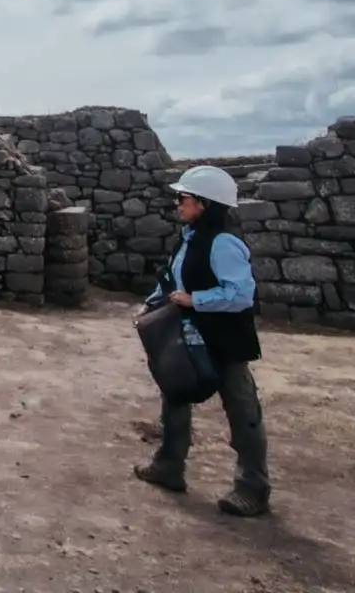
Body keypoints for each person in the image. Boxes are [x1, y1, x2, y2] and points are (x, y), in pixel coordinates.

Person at [133, 165, 270, 518]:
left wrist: (196, 300)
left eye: (184, 198)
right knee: (175, 396)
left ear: (205, 204)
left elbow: (240, 294)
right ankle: (169, 466)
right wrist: (152, 305)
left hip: (224, 339)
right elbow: (172, 279)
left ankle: (252, 488)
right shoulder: (190, 237)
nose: (178, 204)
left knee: (241, 410)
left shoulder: (224, 243)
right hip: (189, 335)